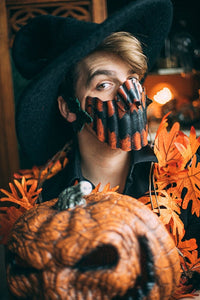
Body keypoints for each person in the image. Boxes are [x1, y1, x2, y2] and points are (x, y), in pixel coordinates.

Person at [12, 0, 173, 202]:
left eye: (132, 80)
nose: (129, 96)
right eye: (104, 85)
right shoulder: (44, 199)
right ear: (69, 107)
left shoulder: (184, 175)